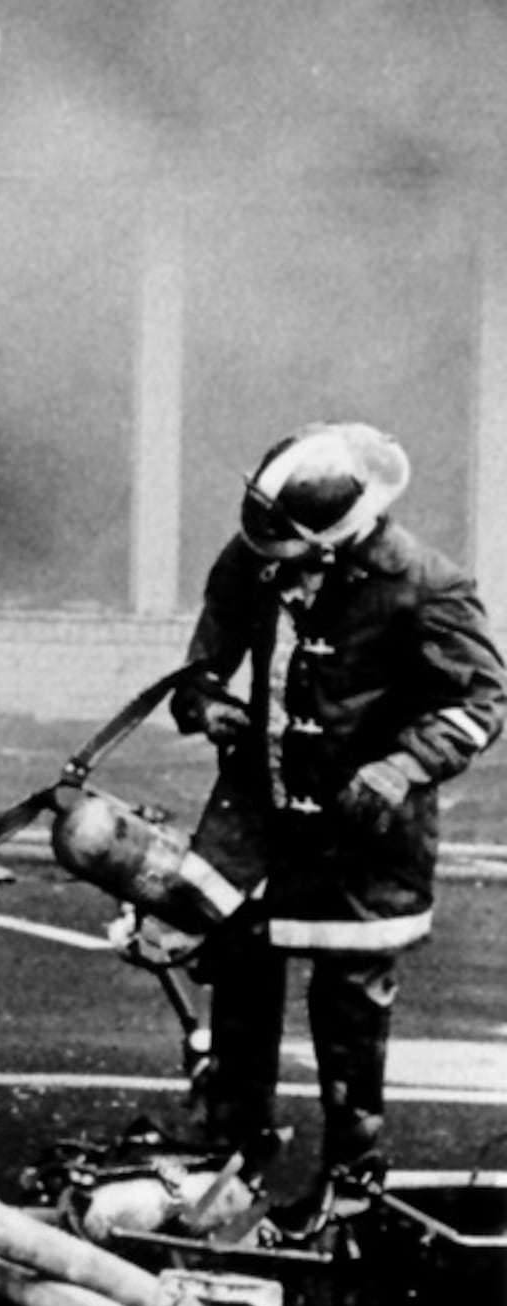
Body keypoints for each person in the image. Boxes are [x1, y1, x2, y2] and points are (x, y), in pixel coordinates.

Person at [160, 423, 503, 1227]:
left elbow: (482, 701)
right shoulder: (254, 554)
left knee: (350, 1007)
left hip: (365, 833)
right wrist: (205, 702)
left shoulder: (425, 583)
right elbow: (204, 661)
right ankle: (231, 1151)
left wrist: (401, 766)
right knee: (239, 977)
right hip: (257, 817)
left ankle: (352, 1176)